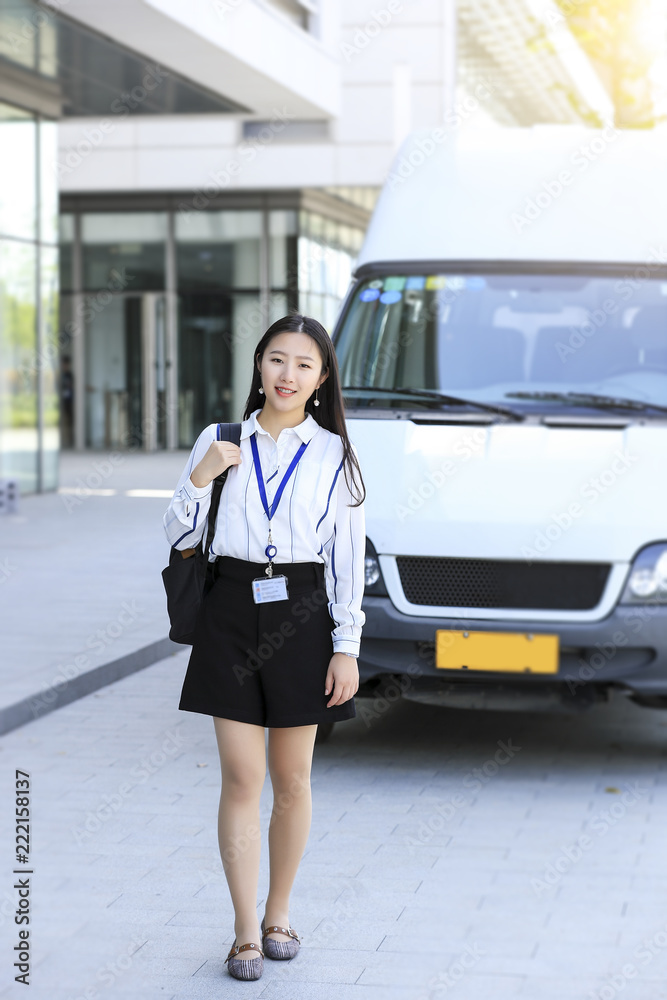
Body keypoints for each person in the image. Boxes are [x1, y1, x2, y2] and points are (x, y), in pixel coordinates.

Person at [162, 313, 366, 981]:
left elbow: (344, 556)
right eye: (276, 360)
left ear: (321, 377)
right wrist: (199, 478)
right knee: (242, 778)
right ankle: (244, 931)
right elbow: (178, 531)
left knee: (293, 778)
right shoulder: (219, 439)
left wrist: (347, 645)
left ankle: (280, 913)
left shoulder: (335, 454)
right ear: (258, 366)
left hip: (303, 612)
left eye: (303, 364)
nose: (287, 375)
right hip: (229, 611)